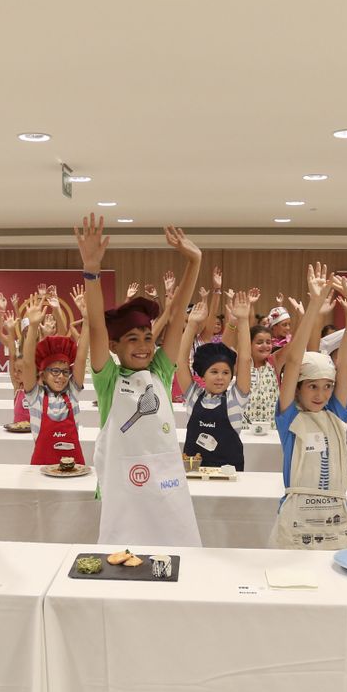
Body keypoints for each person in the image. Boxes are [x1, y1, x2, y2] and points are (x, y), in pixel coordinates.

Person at [81, 214, 202, 546]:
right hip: (123, 486)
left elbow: (178, 318)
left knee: (176, 559)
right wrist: (91, 270)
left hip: (165, 485)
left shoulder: (161, 372)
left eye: (148, 337)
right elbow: (95, 327)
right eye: (132, 339)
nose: (144, 345)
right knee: (124, 561)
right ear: (114, 346)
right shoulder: (108, 379)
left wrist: (195, 262)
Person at [270, 264, 347, 549]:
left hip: (334, 518)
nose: (321, 394)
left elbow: (345, 362)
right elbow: (294, 361)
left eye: (327, 386)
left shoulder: (335, 414)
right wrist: (313, 305)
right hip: (297, 516)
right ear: (297, 387)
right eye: (313, 386)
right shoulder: (289, 418)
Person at [178, 288, 253, 471]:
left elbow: (244, 359)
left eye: (226, 373)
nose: (220, 377)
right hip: (194, 471)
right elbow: (180, 361)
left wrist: (243, 322)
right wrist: (192, 325)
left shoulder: (236, 399)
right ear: (203, 375)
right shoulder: (194, 396)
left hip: (229, 475)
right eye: (214, 372)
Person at [19, 288, 89, 467]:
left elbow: (81, 357)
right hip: (41, 469)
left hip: (75, 470)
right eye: (55, 371)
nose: (61, 377)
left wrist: (87, 320)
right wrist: (33, 326)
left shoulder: (72, 393)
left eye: (65, 372)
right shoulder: (35, 396)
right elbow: (27, 363)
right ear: (42, 373)